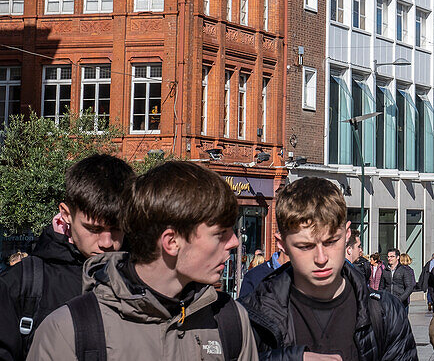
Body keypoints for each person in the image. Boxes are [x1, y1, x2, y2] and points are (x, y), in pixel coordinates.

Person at [26, 161, 258, 361]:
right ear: (171, 242)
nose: (234, 242)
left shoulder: (231, 320)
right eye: (221, 234)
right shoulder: (71, 329)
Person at [242, 177, 416, 361]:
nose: (321, 258)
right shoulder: (251, 315)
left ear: (347, 235)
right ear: (282, 244)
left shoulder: (385, 312)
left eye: (331, 242)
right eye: (305, 246)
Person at [0, 153, 134, 361]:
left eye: (117, 229)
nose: (107, 243)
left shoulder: (146, 274)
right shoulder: (22, 282)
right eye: (93, 228)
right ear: (65, 214)